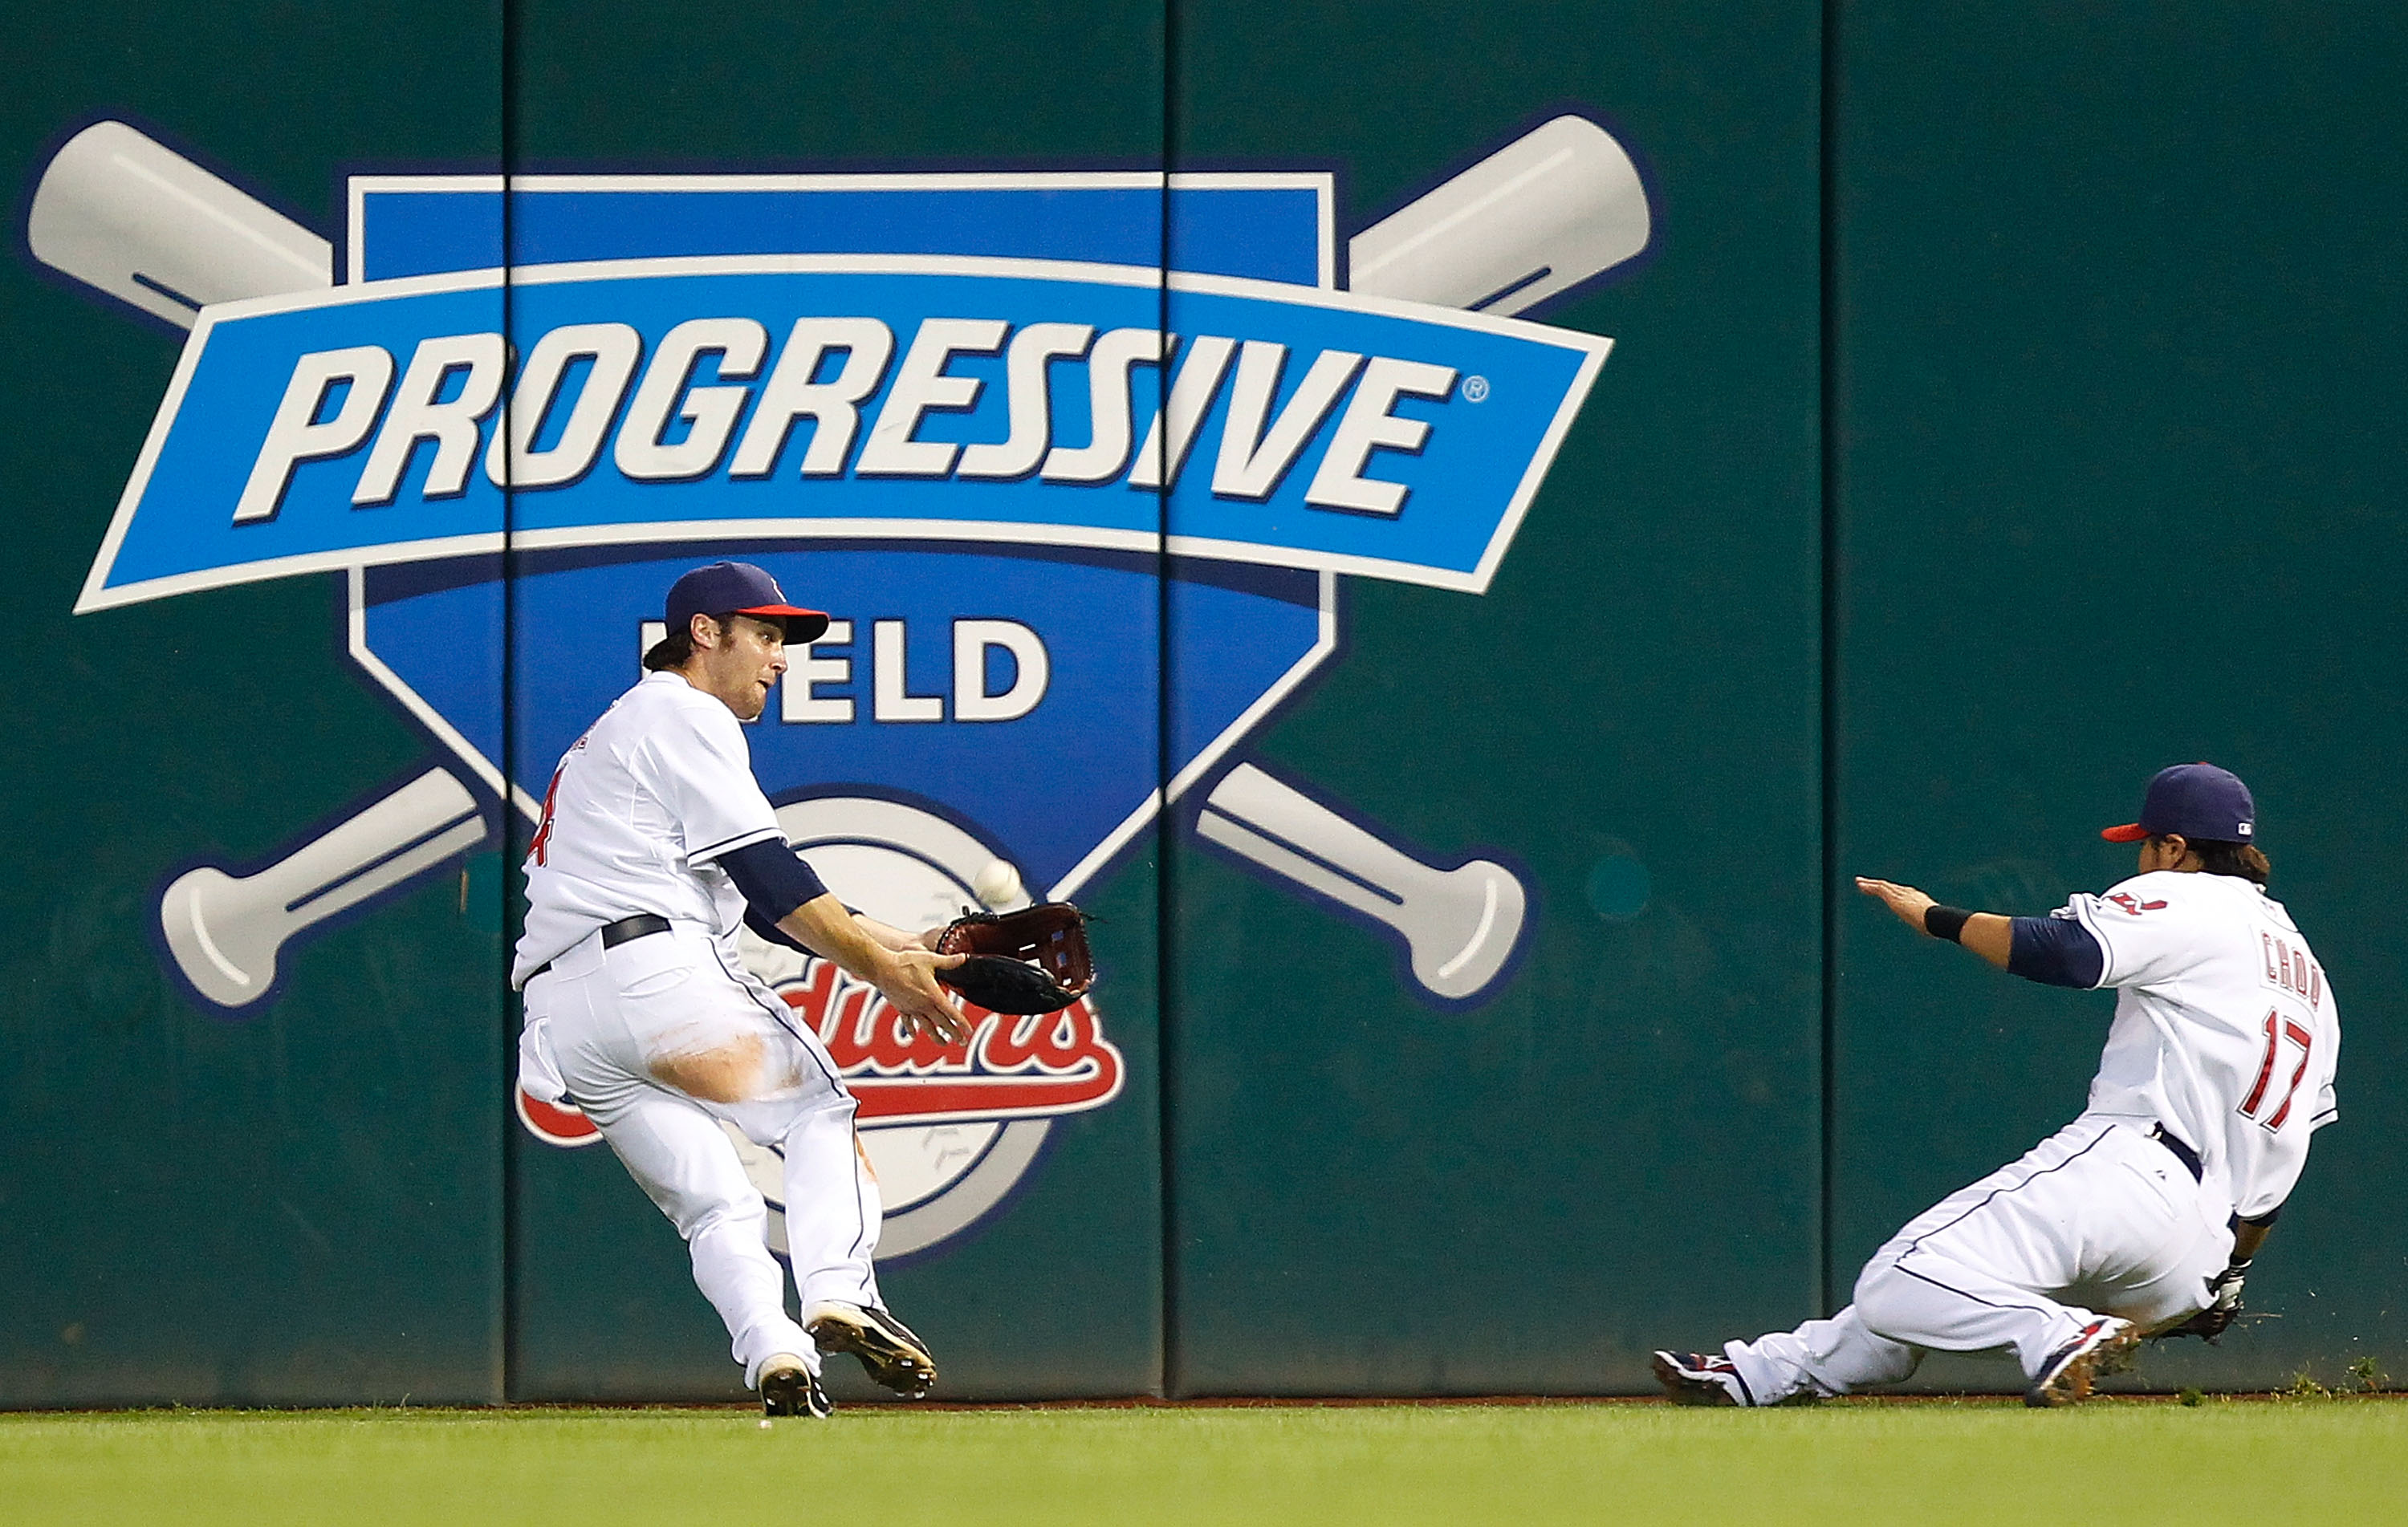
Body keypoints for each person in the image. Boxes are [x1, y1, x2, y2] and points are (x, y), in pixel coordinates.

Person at [1654, 763, 2338, 1407]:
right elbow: (2278, 1170)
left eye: (2146, 845)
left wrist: (1934, 917)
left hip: (2133, 1176)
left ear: (2176, 845)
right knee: (1943, 1282)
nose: (2140, 858)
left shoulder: (2184, 894)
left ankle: (2058, 1333)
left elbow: (2068, 953)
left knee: (1898, 1279)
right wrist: (2228, 1278)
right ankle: (1762, 1372)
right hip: (2196, 1256)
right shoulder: (2306, 974)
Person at [512, 559, 972, 1419]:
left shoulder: (622, 731)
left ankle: (776, 1356)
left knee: (715, 1204)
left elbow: (757, 906)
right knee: (814, 1113)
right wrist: (885, 975)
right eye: (764, 634)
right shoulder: (684, 711)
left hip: (568, 1014)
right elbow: (769, 875)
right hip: (656, 977)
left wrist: (898, 941)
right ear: (703, 633)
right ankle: (842, 1290)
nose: (781, 658)